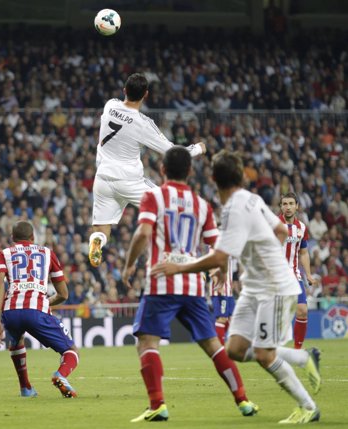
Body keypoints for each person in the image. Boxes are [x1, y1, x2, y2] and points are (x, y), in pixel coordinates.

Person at [152, 151, 321, 424]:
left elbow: (220, 255)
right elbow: (280, 230)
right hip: (254, 287)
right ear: (241, 176)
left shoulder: (233, 208)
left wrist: (179, 268)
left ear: (213, 178)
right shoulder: (251, 199)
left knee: (265, 354)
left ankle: (308, 406)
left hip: (274, 288)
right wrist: (257, 260)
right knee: (235, 349)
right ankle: (303, 358)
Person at [123, 147, 258, 422]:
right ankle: (243, 399)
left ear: (162, 169)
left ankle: (157, 404)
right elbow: (216, 244)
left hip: (162, 281)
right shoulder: (202, 204)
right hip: (194, 284)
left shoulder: (154, 196)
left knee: (147, 342)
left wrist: (129, 264)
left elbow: (143, 232)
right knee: (212, 345)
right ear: (190, 171)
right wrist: (220, 269)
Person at [88, 72, 207, 267]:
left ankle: (97, 240)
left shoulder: (110, 105)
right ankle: (180, 256)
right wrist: (197, 148)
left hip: (102, 179)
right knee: (168, 206)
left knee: (101, 227)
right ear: (146, 95)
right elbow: (171, 151)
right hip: (130, 181)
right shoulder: (142, 123)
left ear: (124, 90)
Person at [0, 221, 79, 398]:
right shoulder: (47, 253)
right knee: (71, 350)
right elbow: (63, 294)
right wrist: (46, 302)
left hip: (11, 311)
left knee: (16, 342)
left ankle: (26, 388)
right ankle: (60, 375)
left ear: (12, 239)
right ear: (33, 238)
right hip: (36, 309)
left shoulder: (4, 254)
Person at [279, 193, 318, 349]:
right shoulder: (273, 225)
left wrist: (308, 274)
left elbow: (303, 252)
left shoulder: (301, 227)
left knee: (302, 311)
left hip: (294, 275)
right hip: (275, 276)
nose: (287, 207)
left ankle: (297, 350)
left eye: (290, 204)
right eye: (284, 204)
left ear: (297, 206)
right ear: (281, 206)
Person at [211, 258, 237, 344]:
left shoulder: (226, 250)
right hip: (221, 291)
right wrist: (218, 284)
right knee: (221, 318)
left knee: (232, 319)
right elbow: (211, 268)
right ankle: (219, 345)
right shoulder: (214, 248)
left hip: (228, 292)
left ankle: (227, 342)